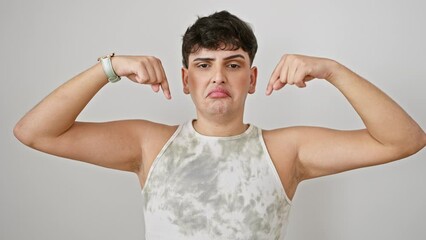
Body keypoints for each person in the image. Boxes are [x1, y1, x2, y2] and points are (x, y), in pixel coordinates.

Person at [14, 10, 425, 240]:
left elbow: (404, 141)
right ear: (185, 79)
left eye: (233, 65)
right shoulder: (149, 145)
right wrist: (109, 67)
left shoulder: (286, 150)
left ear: (251, 77)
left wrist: (333, 70)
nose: (217, 77)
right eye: (203, 65)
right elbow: (35, 132)